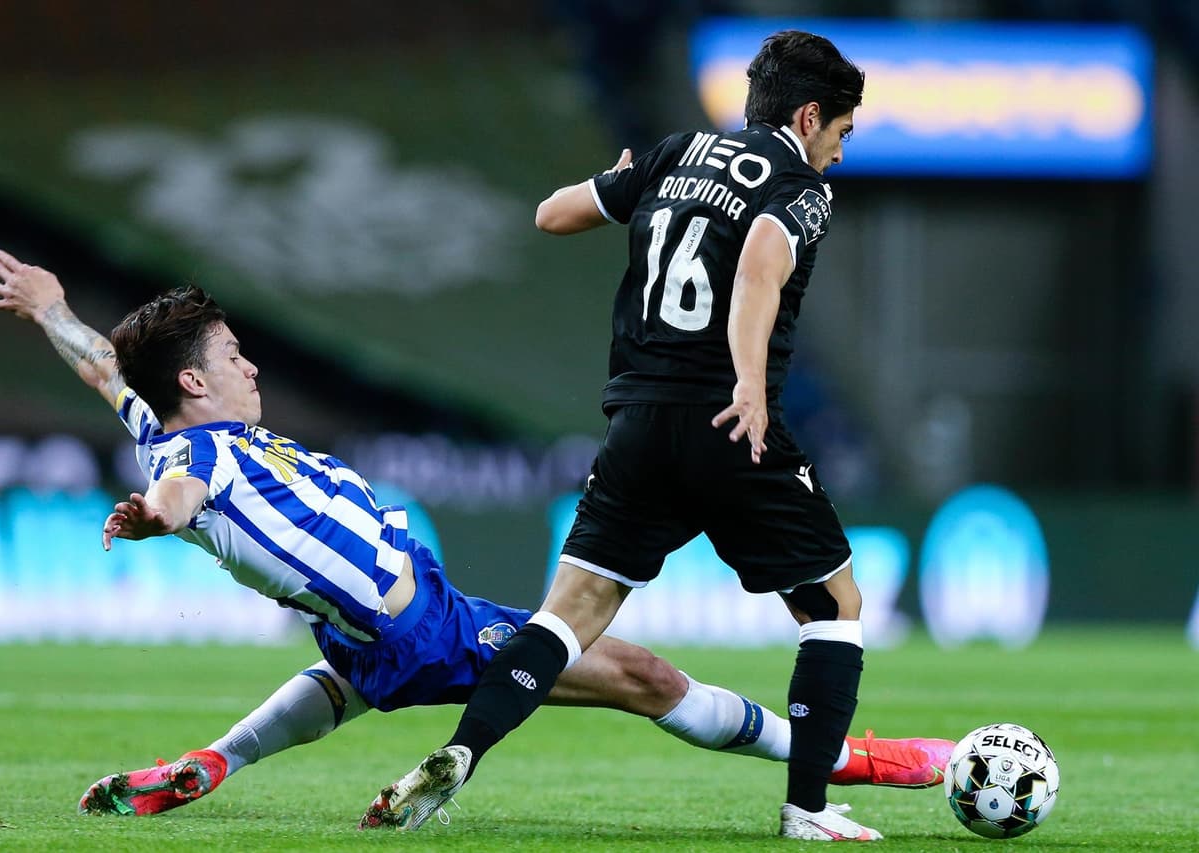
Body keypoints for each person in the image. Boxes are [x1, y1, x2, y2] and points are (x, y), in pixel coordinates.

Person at [0, 248, 949, 819]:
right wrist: (151, 518)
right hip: (423, 623)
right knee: (644, 678)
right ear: (193, 381)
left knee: (347, 681)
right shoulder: (198, 458)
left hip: (369, 631)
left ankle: (216, 760)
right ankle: (856, 762)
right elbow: (179, 496)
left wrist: (53, 308)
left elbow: (106, 369)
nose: (249, 363)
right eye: (230, 355)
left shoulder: (161, 424)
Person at [364, 30, 896, 841]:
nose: (839, 155)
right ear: (809, 114)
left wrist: (625, 179)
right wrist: (749, 382)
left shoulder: (678, 150)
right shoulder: (798, 184)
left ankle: (463, 751)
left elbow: (552, 215)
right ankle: (807, 809)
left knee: (566, 617)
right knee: (835, 603)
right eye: (841, 135)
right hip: (729, 423)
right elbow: (759, 265)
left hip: (636, 425)